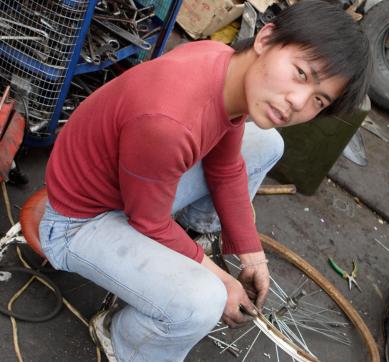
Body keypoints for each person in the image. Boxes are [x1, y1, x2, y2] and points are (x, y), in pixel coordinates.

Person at [39, 1, 371, 361]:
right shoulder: (170, 123)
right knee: (203, 301)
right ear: (266, 37)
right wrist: (220, 280)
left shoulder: (225, 62)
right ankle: (122, 339)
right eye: (302, 73)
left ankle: (189, 235)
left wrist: (251, 255)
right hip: (78, 222)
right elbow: (148, 222)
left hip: (133, 189)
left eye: (318, 101)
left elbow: (226, 167)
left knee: (266, 143)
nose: (297, 101)